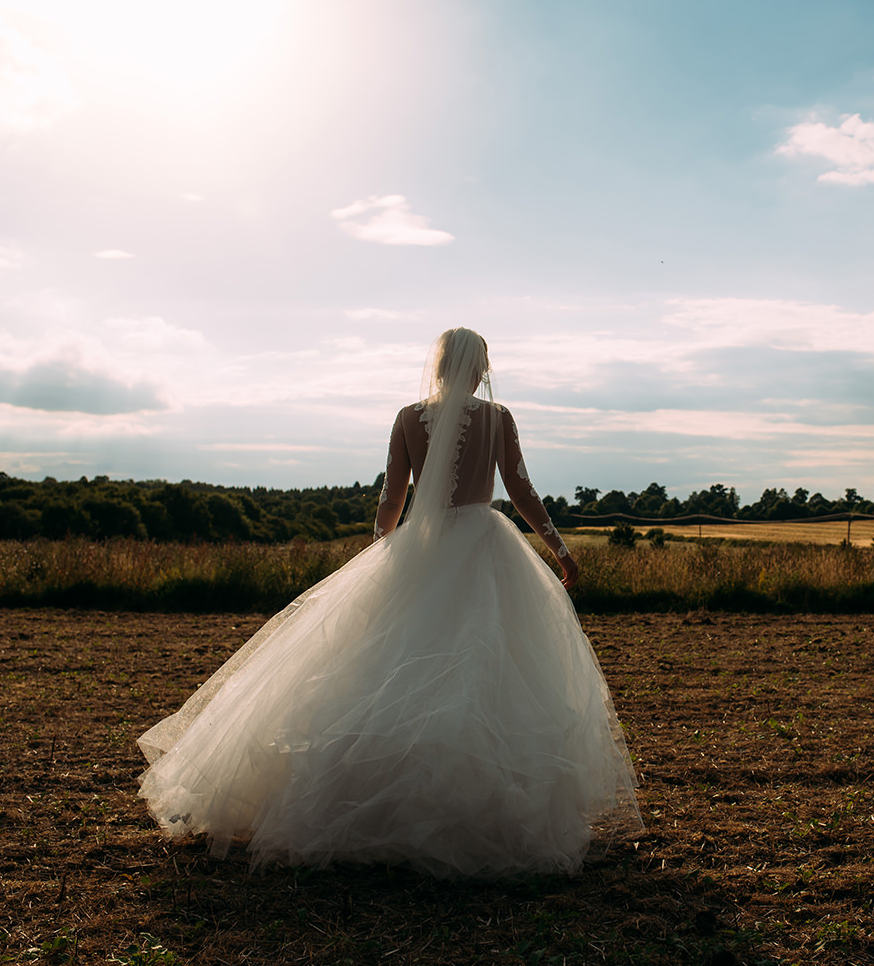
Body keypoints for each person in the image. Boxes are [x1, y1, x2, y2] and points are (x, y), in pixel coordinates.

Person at [137, 328, 641, 877]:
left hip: (420, 549)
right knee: (487, 667)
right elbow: (521, 488)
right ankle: (470, 809)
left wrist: (382, 555)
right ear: (479, 369)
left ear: (440, 366)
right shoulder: (499, 418)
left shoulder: (407, 418)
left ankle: (373, 805)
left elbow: (392, 495)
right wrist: (560, 550)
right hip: (485, 547)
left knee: (389, 669)